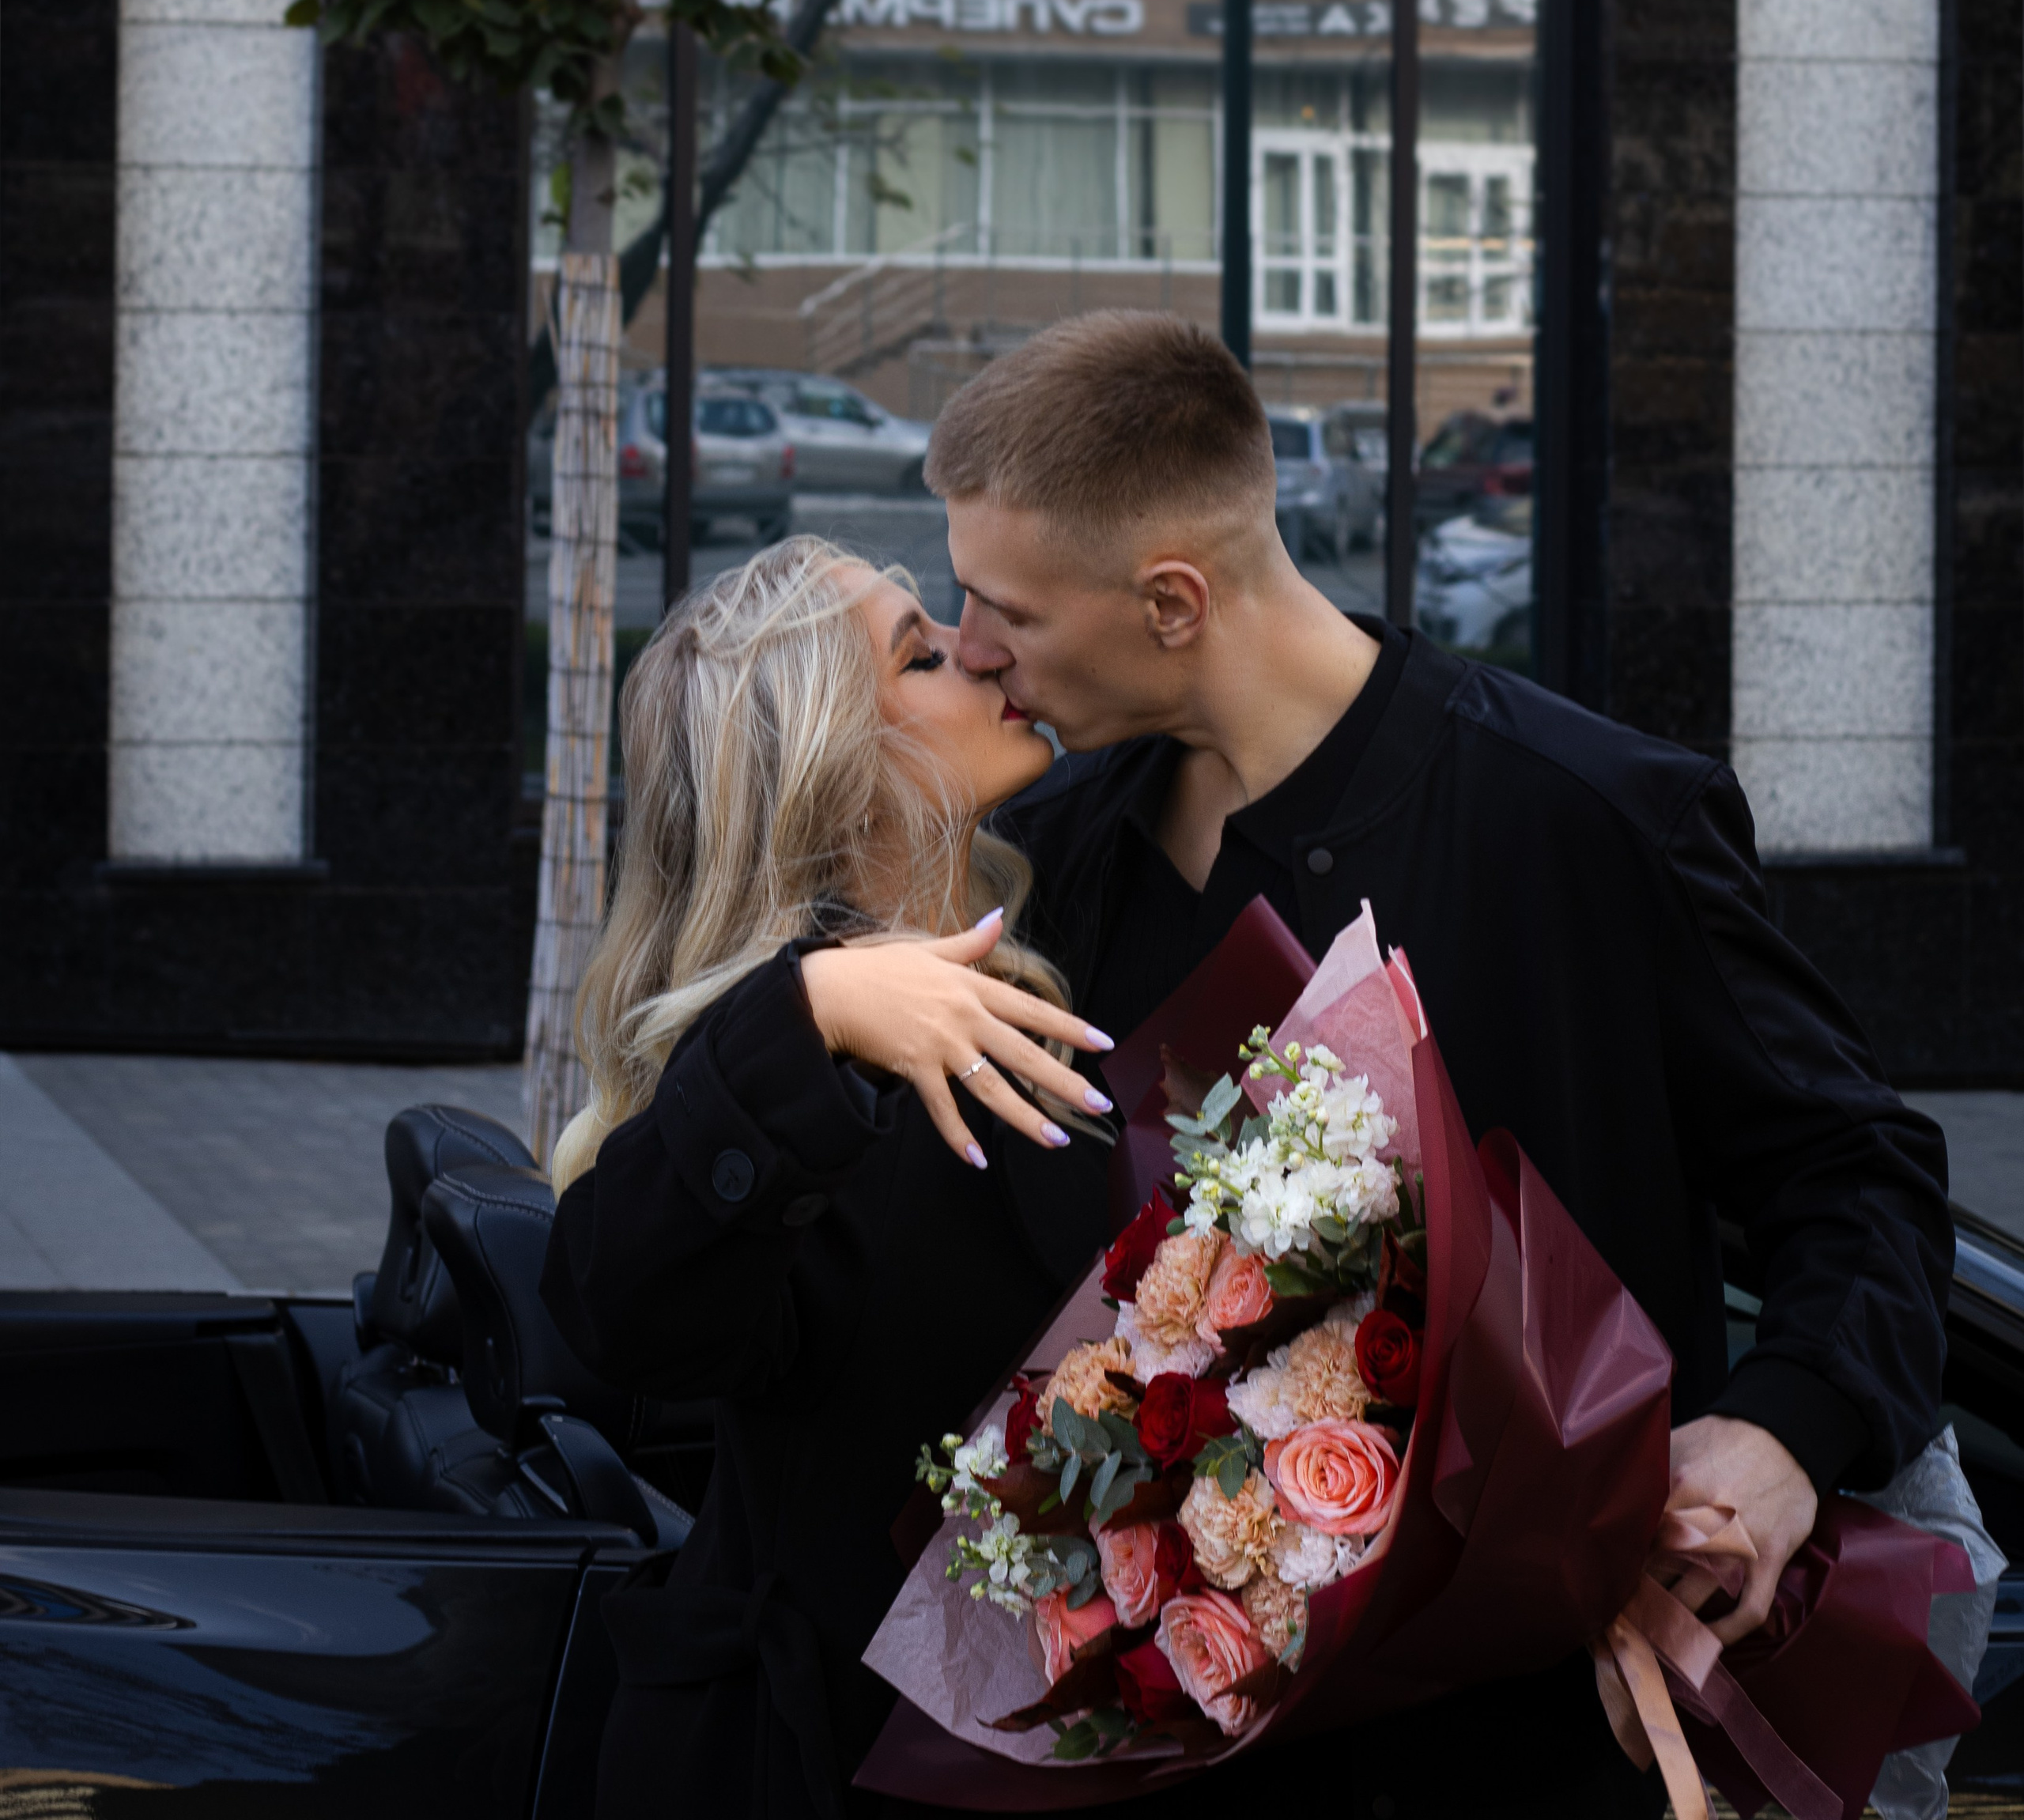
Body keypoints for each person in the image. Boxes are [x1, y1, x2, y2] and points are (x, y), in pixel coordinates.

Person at [924, 308, 1955, 1802]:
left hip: (1533, 1744)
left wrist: (1789, 1433)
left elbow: (1861, 1179)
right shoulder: (1060, 860)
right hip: (1157, 1743)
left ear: (1170, 600)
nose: (972, 649)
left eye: (1001, 605)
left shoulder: (1591, 818)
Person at [539, 534, 1120, 1816]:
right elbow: (611, 1298)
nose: (978, 649)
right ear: (837, 766)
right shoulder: (779, 1050)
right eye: (922, 650)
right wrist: (810, 1009)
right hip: (818, 1761)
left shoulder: (1038, 947)